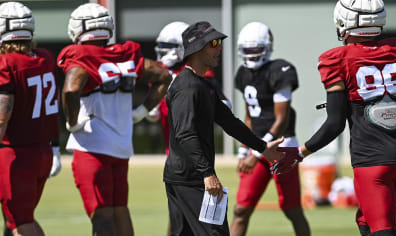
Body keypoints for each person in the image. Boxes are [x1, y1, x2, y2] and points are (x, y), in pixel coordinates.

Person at [270, 0, 396, 235]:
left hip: (371, 160)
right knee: (365, 220)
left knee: (382, 229)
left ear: (343, 22)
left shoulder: (338, 59)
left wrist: (300, 153)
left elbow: (334, 123)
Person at [57, 3, 171, 236]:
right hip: (120, 145)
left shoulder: (81, 56)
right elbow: (163, 75)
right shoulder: (123, 53)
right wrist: (140, 111)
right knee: (120, 211)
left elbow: (71, 90)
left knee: (101, 216)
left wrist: (71, 121)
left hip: (92, 146)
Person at [163, 21, 284, 236]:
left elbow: (229, 122)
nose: (220, 48)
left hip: (189, 177)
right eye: (214, 43)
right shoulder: (187, 87)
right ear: (198, 48)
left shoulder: (203, 85)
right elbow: (186, 134)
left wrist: (262, 147)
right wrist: (207, 173)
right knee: (216, 233)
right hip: (190, 179)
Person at [230, 22, 310, 236]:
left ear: (266, 47)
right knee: (241, 209)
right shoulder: (243, 74)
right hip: (256, 149)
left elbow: (281, 120)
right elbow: (249, 117)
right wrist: (242, 150)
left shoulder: (280, 70)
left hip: (281, 149)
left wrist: (255, 153)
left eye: (256, 49)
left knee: (292, 210)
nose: (251, 54)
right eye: (247, 50)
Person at [0, 2, 60, 236]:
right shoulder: (44, 58)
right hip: (41, 152)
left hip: (15, 154)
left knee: (21, 224)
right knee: (15, 219)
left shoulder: (7, 64)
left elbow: (2, 118)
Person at [147, 21, 231, 155]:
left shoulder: (197, 69)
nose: (163, 49)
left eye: (168, 46)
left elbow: (224, 105)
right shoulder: (159, 71)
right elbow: (153, 115)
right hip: (172, 150)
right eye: (162, 45)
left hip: (197, 148)